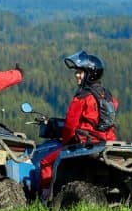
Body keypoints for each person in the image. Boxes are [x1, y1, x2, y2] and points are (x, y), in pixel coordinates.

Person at [37, 50, 119, 197]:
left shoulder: (82, 97)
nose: (76, 75)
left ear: (90, 74)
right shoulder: (108, 96)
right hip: (107, 143)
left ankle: (44, 201)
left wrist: (66, 141)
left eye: (80, 72)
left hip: (85, 143)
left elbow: (70, 126)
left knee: (45, 162)